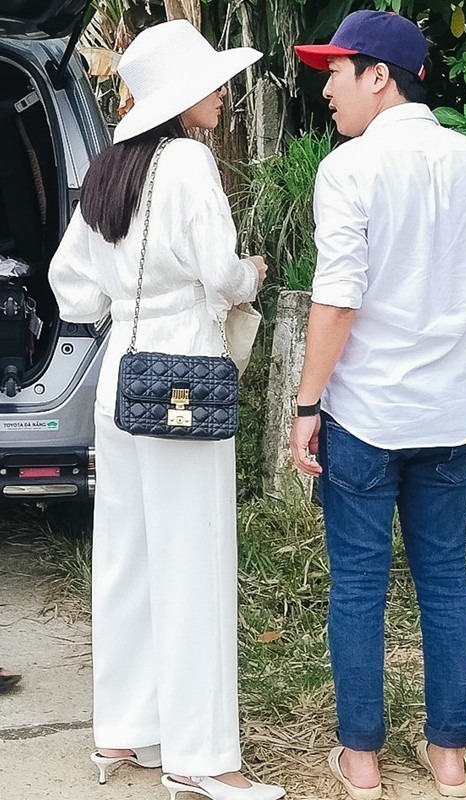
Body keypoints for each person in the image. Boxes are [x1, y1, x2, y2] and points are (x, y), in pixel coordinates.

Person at [49, 20, 284, 800]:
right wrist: (249, 273)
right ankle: (202, 756)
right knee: (194, 557)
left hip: (122, 371)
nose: (223, 93)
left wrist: (130, 299)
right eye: (212, 82)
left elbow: (71, 288)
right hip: (184, 371)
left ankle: (125, 729)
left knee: (128, 556)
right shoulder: (187, 160)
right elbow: (220, 270)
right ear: (181, 96)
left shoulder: (109, 168)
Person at [291, 10, 466, 800]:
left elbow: (337, 301)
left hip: (364, 415)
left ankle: (361, 760)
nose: (327, 90)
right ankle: (449, 755)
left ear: (379, 76)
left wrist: (306, 406)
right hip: (450, 414)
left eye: (336, 72)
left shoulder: (348, 170)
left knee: (359, 585)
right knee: (445, 579)